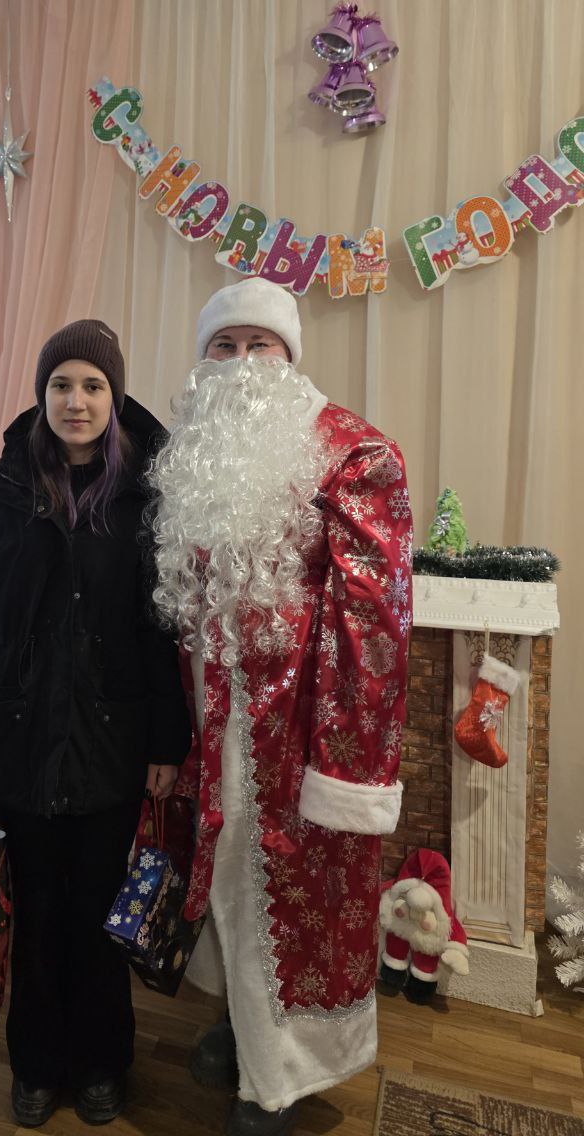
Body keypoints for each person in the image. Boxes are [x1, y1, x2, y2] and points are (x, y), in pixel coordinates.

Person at [149, 280, 411, 1136]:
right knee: (227, 882)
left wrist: (348, 764)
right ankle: (243, 1030)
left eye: (259, 344)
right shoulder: (197, 451)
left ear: (289, 355)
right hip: (213, 720)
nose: (240, 363)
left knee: (290, 897)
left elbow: (374, 627)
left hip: (299, 729)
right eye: (222, 347)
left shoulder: (355, 452)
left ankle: (279, 1078)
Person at [0, 320, 191, 1129]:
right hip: (17, 741)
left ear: (114, 397)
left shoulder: (147, 497)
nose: (76, 401)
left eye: (93, 386)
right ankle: (37, 1066)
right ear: (42, 395)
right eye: (62, 384)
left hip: (114, 742)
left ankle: (104, 1062)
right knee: (37, 912)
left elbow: (161, 630)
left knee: (99, 911)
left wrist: (167, 743)